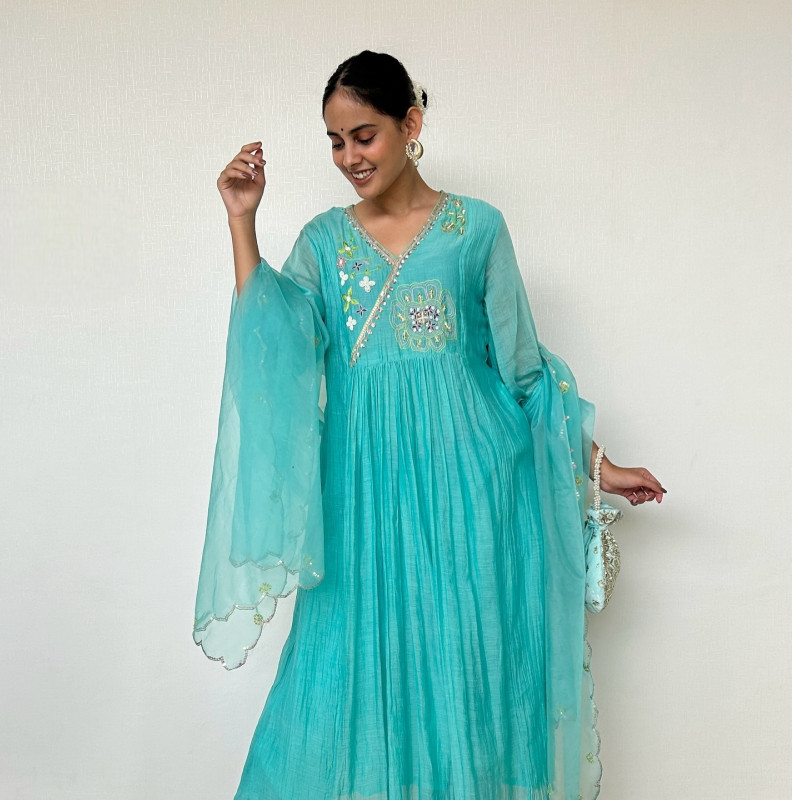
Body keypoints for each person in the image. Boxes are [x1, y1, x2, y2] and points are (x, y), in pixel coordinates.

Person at [193, 50, 665, 800]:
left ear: (409, 124)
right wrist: (241, 221)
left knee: (464, 681)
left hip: (470, 502)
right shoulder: (324, 243)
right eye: (336, 141)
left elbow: (522, 372)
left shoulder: (476, 231)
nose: (349, 157)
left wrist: (596, 464)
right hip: (363, 502)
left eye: (365, 135)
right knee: (341, 677)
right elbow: (272, 342)